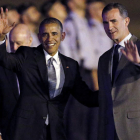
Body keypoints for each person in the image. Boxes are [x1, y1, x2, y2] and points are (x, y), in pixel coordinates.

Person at [0, 7, 98, 140]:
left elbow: (86, 97)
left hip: (54, 132)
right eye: (45, 34)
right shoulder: (27, 55)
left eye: (54, 33)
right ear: (39, 37)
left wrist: (113, 92)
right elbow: (5, 60)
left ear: (62, 36)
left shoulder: (70, 65)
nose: (49, 38)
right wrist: (1, 36)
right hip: (25, 131)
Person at [98, 3, 140, 140]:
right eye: (105, 22)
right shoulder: (104, 59)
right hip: (109, 130)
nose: (109, 27)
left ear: (126, 21)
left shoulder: (139, 47)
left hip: (135, 128)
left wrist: (138, 63)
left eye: (113, 21)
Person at [0, 23, 32, 140]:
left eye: (19, 43)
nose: (14, 48)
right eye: (12, 43)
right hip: (8, 132)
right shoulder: (3, 67)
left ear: (30, 41)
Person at [87, 0, 112, 90]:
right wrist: (97, 85)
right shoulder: (91, 30)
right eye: (100, 8)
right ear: (91, 11)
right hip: (99, 77)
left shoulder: (102, 27)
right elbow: (94, 60)